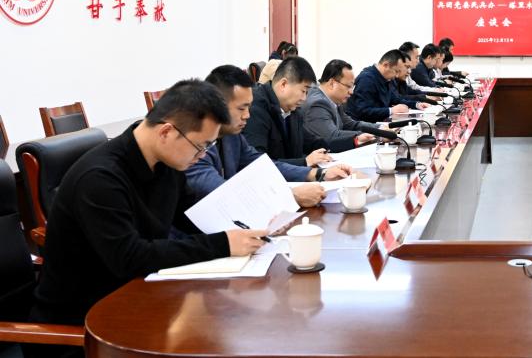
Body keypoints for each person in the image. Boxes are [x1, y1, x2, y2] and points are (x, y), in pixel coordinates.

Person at [30, 79, 267, 330]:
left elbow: (193, 216)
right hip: (85, 322)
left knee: (229, 321)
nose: (202, 156)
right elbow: (129, 258)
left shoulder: (166, 162)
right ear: (166, 132)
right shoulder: (100, 179)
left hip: (139, 296)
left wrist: (249, 231)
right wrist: (223, 244)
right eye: (200, 147)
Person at [187, 66, 350, 208]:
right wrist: (291, 195)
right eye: (241, 109)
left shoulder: (232, 136)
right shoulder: (192, 147)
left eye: (248, 108)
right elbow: (223, 194)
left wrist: (317, 174)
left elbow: (262, 165)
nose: (247, 115)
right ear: (216, 106)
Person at [243, 57, 346, 166]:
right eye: (303, 91)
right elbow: (258, 164)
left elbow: (313, 142)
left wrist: (354, 141)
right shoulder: (256, 109)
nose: (304, 98)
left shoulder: (292, 110)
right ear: (283, 84)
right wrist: (305, 162)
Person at [300, 59, 378, 151]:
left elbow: (352, 124)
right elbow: (332, 136)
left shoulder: (334, 100)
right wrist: (365, 136)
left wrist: (380, 129)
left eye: (352, 87)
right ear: (332, 83)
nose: (351, 92)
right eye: (348, 86)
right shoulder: (317, 103)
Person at [347, 50, 430, 122]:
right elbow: (363, 111)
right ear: (386, 65)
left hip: (378, 122)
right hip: (363, 126)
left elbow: (395, 99)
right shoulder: (367, 79)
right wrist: (391, 110)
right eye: (396, 71)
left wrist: (416, 104)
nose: (397, 75)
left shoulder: (386, 78)